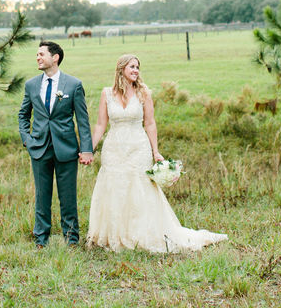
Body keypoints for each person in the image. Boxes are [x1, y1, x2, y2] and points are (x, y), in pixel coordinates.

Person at [86, 54, 227, 252]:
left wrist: (156, 151)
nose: (136, 70)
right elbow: (101, 124)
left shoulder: (143, 92)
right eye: (132, 67)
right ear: (121, 69)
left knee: (140, 188)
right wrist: (88, 149)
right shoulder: (107, 93)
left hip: (138, 148)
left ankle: (141, 234)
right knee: (115, 187)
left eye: (137, 67)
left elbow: (150, 123)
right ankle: (115, 235)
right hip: (114, 149)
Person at [18, 41, 93, 248]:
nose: (38, 58)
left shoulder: (73, 84)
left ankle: (71, 240)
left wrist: (86, 149)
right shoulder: (31, 85)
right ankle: (41, 239)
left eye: (41, 54)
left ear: (55, 57)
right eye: (37, 55)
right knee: (42, 196)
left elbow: (83, 120)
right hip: (39, 148)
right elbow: (23, 115)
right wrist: (27, 138)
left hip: (66, 149)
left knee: (68, 197)